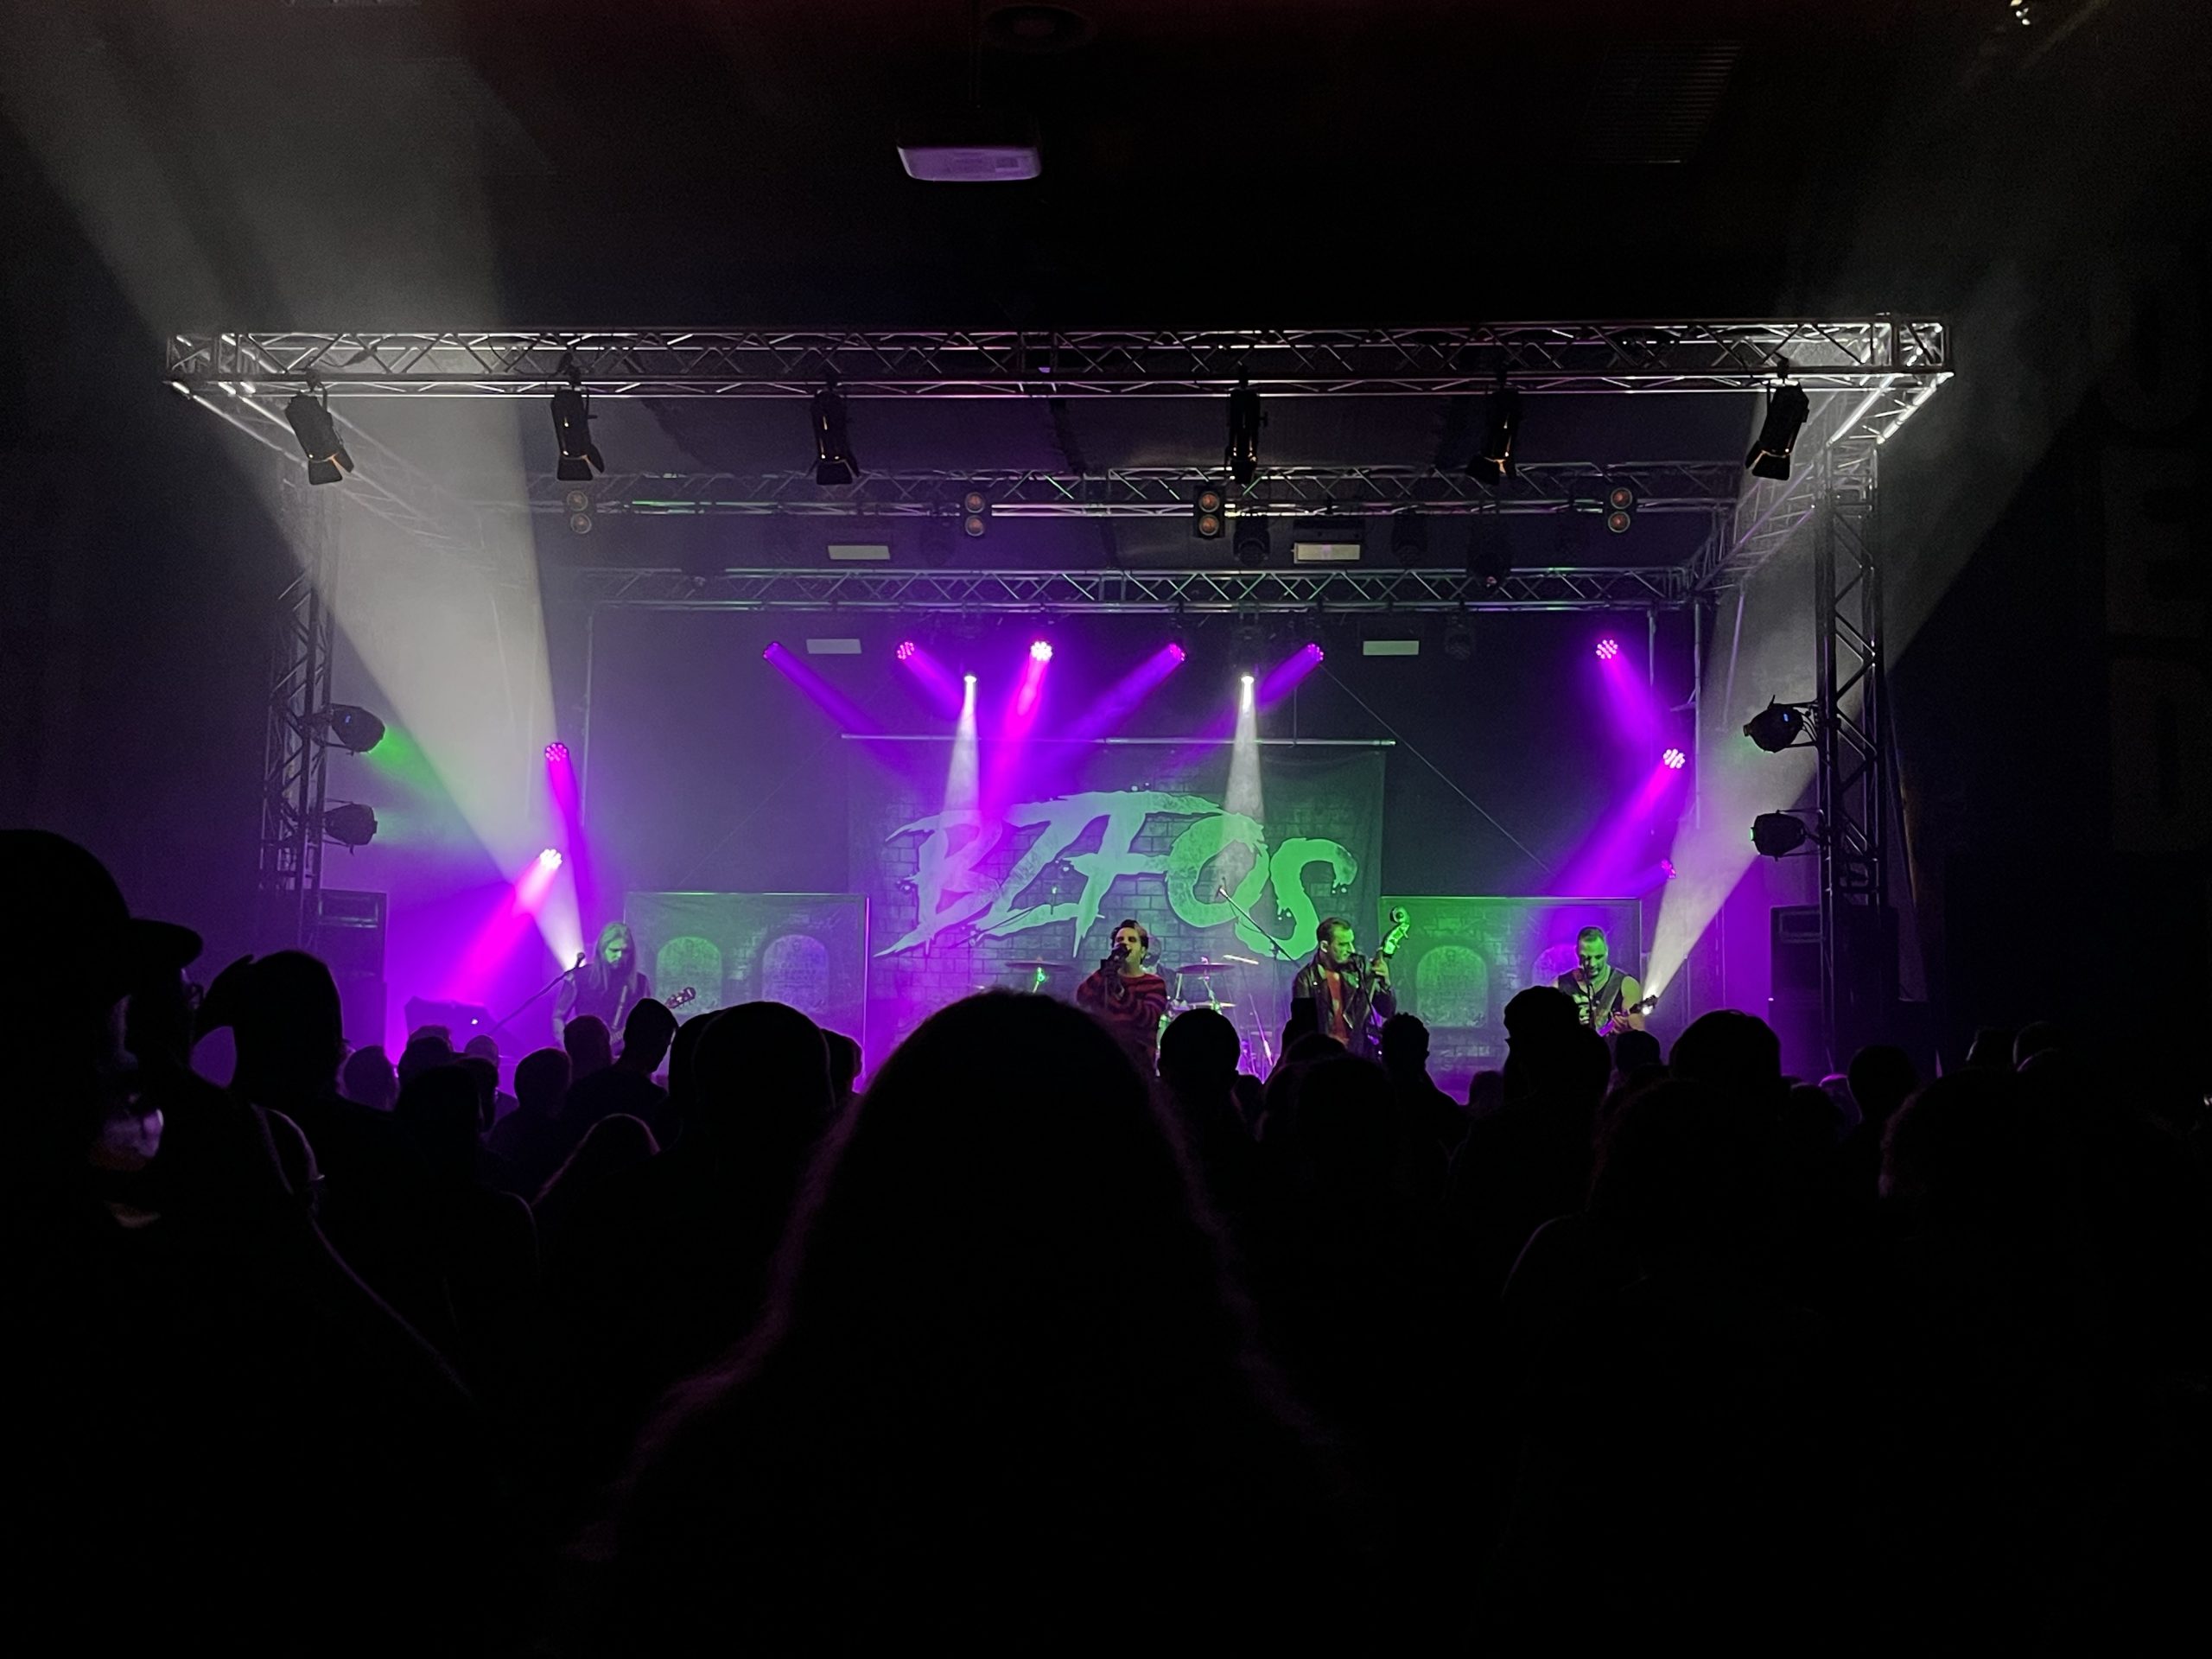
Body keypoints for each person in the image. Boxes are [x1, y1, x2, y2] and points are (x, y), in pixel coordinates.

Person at [1288, 915, 1395, 1058]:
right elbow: (1303, 1029)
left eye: (1351, 942)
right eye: (1343, 944)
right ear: (1324, 946)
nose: (1351, 949)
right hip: (1325, 1057)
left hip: (1361, 1054)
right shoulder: (1306, 979)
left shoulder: (1360, 967)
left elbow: (1387, 1010)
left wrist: (1386, 983)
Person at [1074, 918, 1169, 1074]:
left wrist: (1122, 993)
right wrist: (1107, 968)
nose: (1124, 944)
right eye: (1120, 940)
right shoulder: (1104, 978)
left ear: (1143, 951)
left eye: (1132, 940)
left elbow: (1149, 1018)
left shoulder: (1155, 983)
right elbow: (1082, 997)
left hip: (1139, 1066)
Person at [554, 920, 652, 1043]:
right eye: (614, 950)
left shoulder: (640, 983)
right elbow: (558, 1017)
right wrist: (567, 1045)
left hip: (623, 1051)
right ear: (602, 949)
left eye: (625, 951)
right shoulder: (580, 977)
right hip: (584, 1047)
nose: (620, 955)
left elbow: (646, 1021)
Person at [1553, 925, 1645, 1033]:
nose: (1592, 964)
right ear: (1577, 953)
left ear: (1606, 951)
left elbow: (1639, 1031)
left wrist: (1628, 1027)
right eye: (1586, 957)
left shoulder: (1627, 985)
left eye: (1598, 957)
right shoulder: (1559, 986)